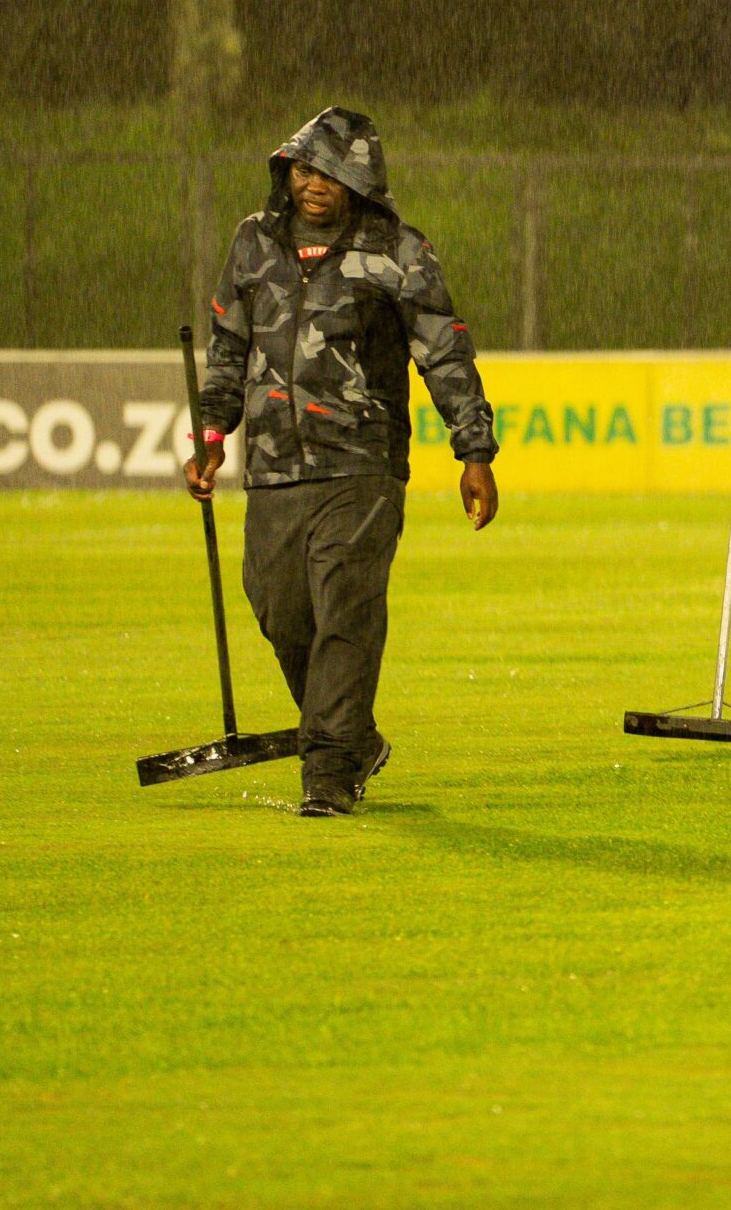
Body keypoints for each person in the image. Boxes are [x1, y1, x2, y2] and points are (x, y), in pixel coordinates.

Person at [186, 106, 500, 818]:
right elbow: (228, 346)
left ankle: (327, 771)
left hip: (362, 463)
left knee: (345, 615)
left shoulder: (400, 252)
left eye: (330, 170)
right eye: (303, 169)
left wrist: (473, 449)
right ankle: (352, 736)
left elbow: (443, 351)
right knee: (280, 611)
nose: (314, 183)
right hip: (272, 466)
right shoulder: (253, 243)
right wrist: (211, 431)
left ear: (360, 178)